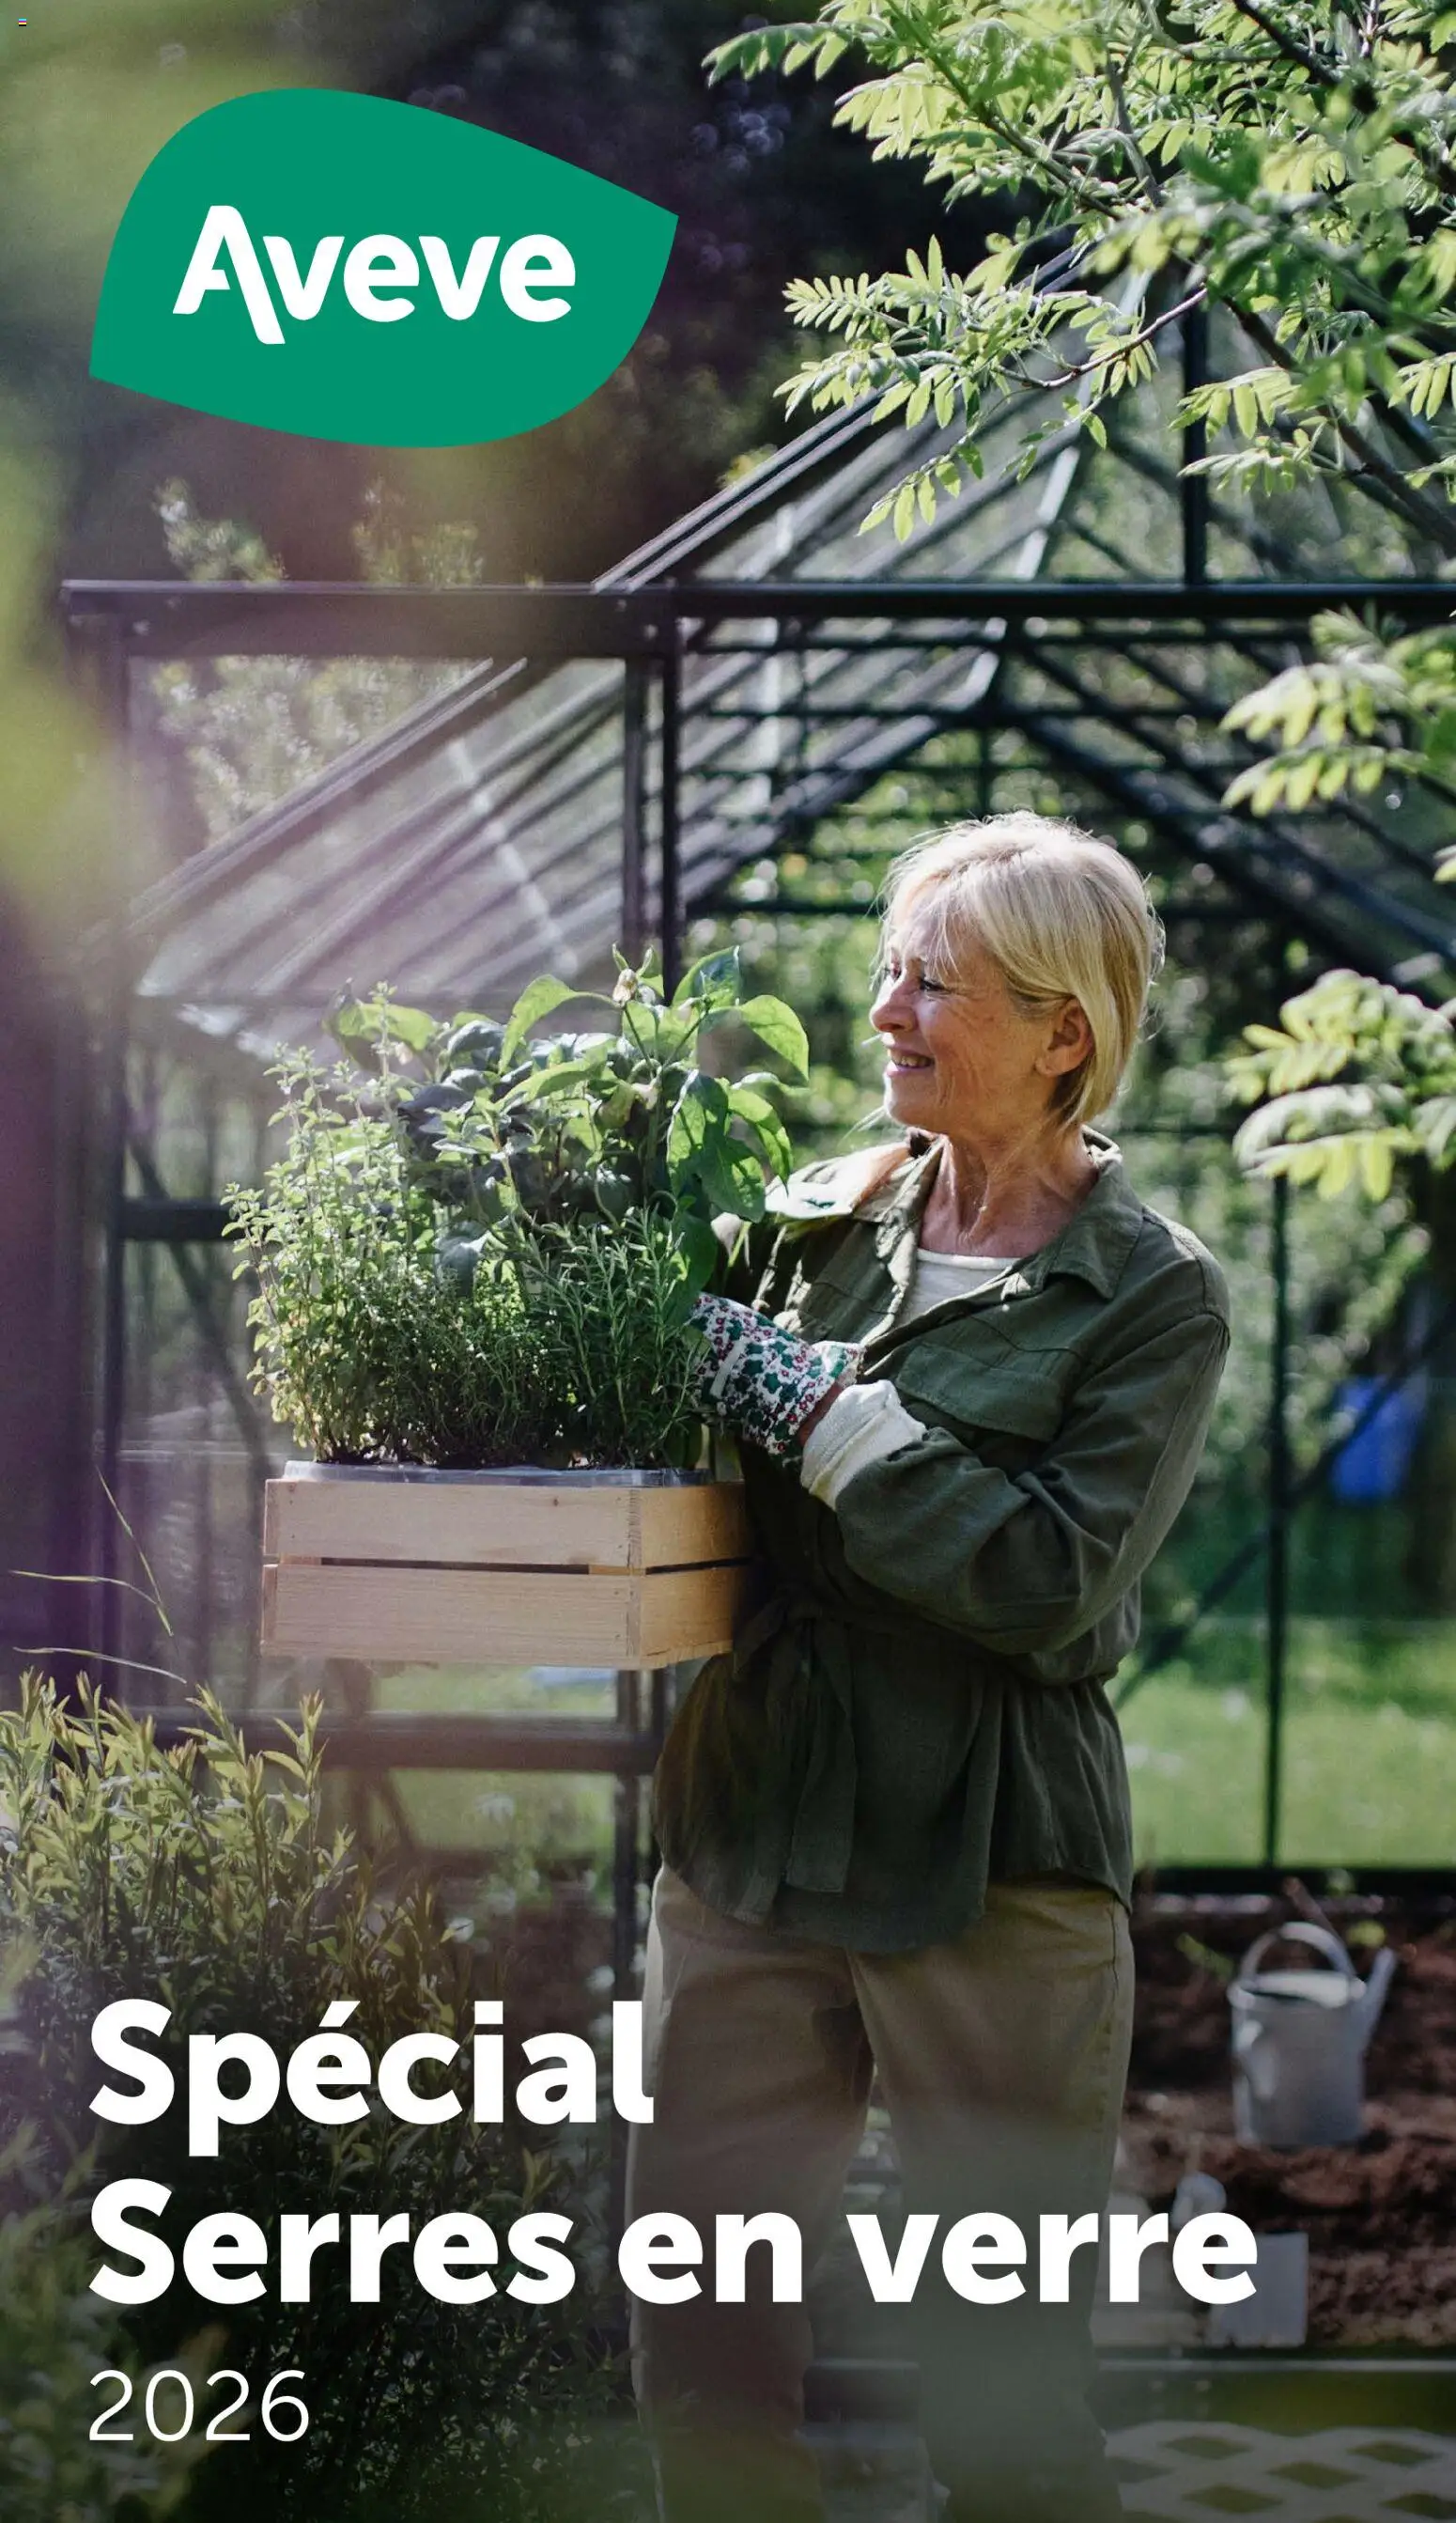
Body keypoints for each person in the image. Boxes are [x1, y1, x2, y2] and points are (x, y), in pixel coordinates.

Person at [629, 813, 1231, 2523]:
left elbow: (1047, 1580)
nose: (885, 1012)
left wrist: (828, 1417)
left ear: (1065, 1032)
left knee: (1006, 2372)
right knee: (700, 2325)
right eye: (888, 972)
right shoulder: (809, 1228)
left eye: (934, 985)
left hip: (991, 1855)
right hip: (751, 1830)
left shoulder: (1147, 1292)